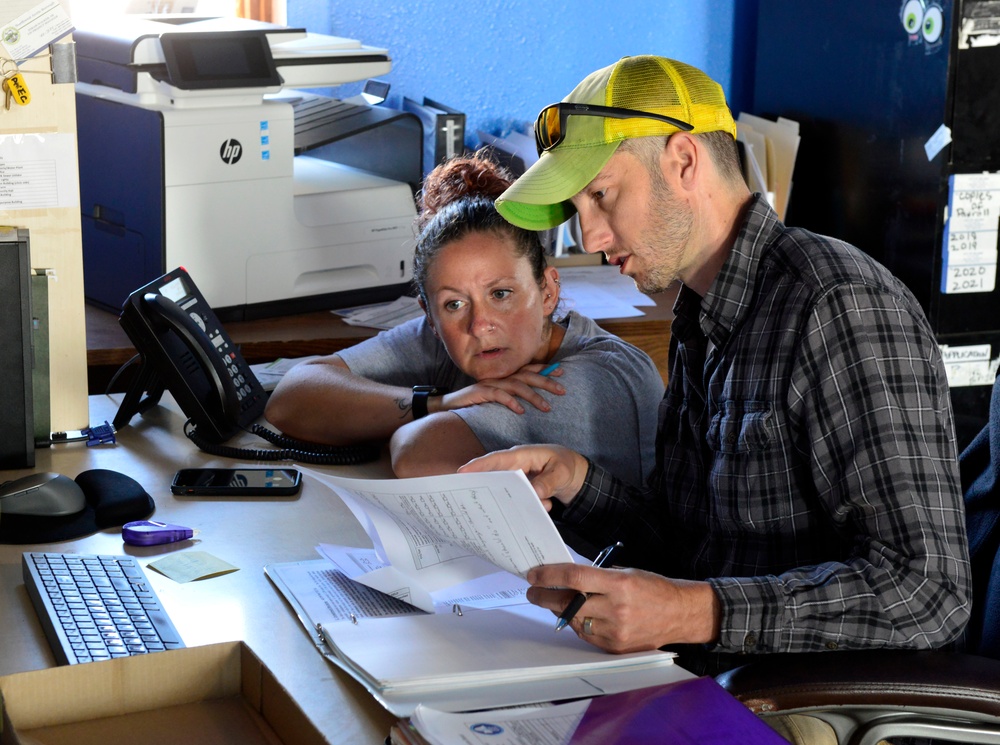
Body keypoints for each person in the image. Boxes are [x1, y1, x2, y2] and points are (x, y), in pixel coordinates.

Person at [460, 55, 972, 682]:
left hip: (799, 702)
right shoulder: (702, 312)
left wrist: (691, 613)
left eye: (601, 194)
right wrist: (576, 482)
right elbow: (694, 550)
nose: (590, 234)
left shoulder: (837, 305)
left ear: (683, 161)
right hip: (700, 676)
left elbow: (927, 594)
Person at [264, 153, 664, 485]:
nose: (479, 325)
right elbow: (291, 399)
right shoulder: (447, 337)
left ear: (547, 291)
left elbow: (417, 453)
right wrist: (439, 402)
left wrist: (393, 417)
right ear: (430, 317)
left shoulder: (603, 377)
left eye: (501, 294)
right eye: (454, 304)